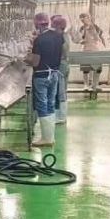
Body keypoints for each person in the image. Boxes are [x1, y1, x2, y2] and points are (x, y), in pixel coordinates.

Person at [28, 13, 63, 147]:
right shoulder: (58, 36)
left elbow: (35, 62)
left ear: (37, 23)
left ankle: (46, 139)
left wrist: (26, 60)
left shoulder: (39, 40)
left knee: (42, 105)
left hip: (41, 76)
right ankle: (50, 137)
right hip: (54, 74)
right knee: (50, 103)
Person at [78, 12, 105, 93]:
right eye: (81, 19)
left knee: (98, 68)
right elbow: (80, 39)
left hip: (96, 49)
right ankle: (86, 85)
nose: (83, 20)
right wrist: (81, 41)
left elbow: (99, 38)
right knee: (85, 68)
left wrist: (103, 46)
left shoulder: (96, 27)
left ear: (89, 18)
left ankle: (95, 84)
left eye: (84, 18)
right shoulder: (82, 28)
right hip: (86, 49)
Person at [51, 14, 70, 125]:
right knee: (62, 90)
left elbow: (60, 52)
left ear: (58, 27)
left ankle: (61, 116)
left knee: (59, 91)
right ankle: (61, 115)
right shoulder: (65, 35)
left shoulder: (60, 37)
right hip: (64, 65)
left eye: (53, 26)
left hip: (60, 66)